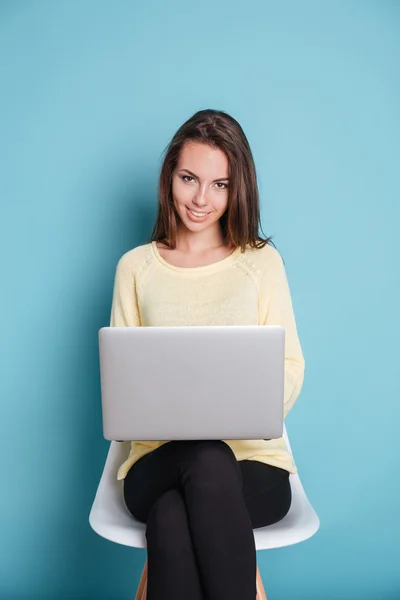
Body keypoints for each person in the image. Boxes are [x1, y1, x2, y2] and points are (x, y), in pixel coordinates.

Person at [109, 109, 305, 599]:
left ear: (237, 188)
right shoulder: (135, 268)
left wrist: (239, 410)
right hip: (155, 466)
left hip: (254, 469)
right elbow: (122, 383)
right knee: (205, 459)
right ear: (169, 177)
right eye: (189, 179)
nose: (201, 199)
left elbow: (290, 369)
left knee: (174, 516)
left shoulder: (260, 262)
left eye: (219, 184)